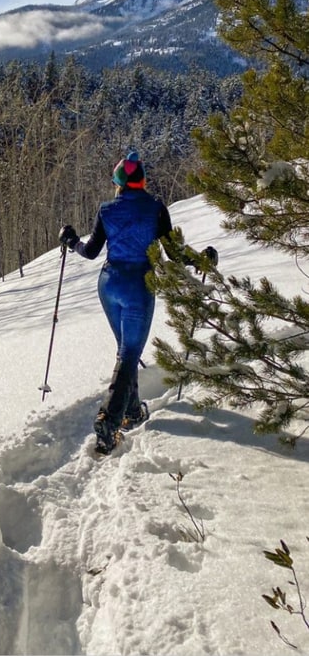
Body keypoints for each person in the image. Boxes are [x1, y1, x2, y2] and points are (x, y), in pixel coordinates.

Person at [59, 150, 216, 455]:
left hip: (108, 285)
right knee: (129, 354)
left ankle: (132, 412)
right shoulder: (156, 208)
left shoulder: (106, 210)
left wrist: (72, 240)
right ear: (142, 182)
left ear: (117, 183)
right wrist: (201, 260)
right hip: (139, 287)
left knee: (125, 352)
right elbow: (174, 253)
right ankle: (108, 420)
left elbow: (90, 252)